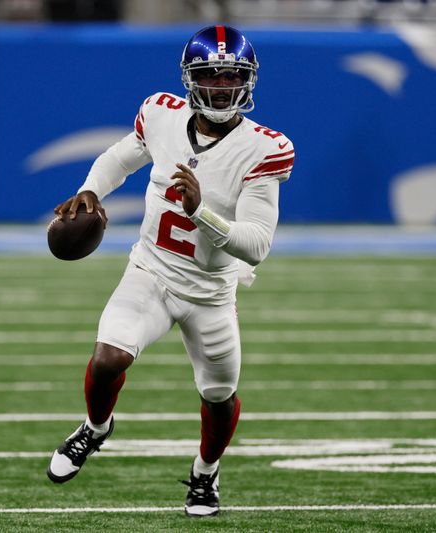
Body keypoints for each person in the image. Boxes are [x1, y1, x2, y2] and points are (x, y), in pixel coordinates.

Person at [46, 25, 294, 517]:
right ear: (190, 79)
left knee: (219, 396)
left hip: (211, 291)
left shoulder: (265, 149)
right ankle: (95, 429)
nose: (221, 87)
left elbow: (257, 246)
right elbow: (121, 157)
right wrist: (93, 188)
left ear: (247, 81)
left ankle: (205, 475)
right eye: (211, 76)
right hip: (151, 272)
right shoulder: (160, 113)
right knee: (108, 358)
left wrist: (202, 212)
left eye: (231, 77)